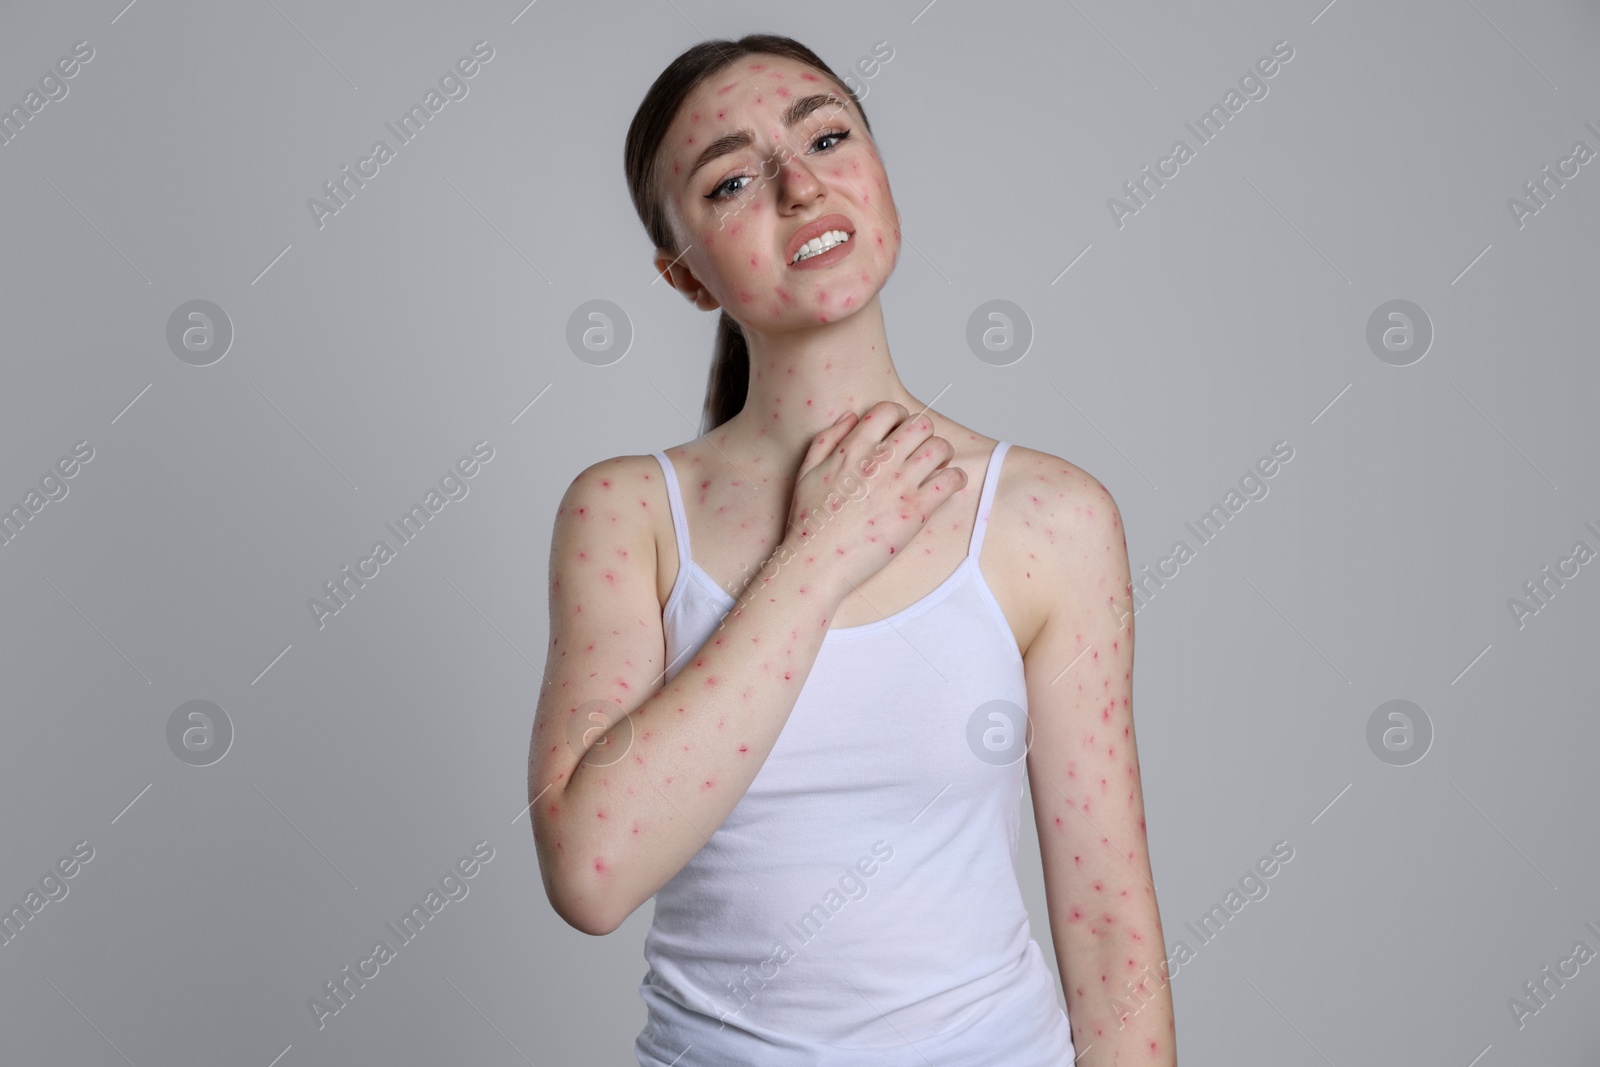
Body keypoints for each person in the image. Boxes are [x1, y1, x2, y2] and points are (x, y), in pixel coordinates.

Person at [529, 33, 1177, 1065]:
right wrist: (821, 552)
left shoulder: (1050, 517)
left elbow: (1108, 933)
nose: (798, 186)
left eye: (827, 137)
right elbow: (591, 870)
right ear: (684, 275)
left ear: (878, 176)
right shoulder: (627, 513)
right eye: (732, 179)